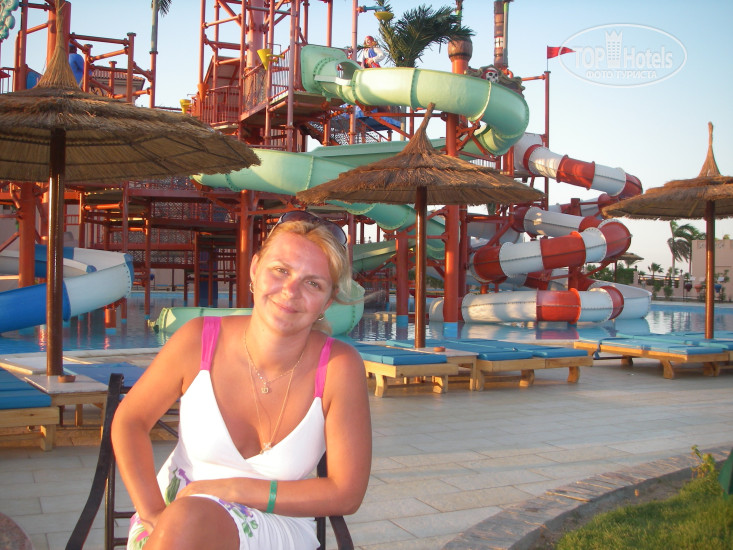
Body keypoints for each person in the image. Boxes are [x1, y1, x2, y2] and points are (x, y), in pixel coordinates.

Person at [112, 210, 372, 550]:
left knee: (188, 519)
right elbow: (130, 420)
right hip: (171, 521)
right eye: (280, 270)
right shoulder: (198, 341)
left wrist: (233, 489)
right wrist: (152, 513)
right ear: (254, 269)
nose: (290, 291)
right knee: (185, 521)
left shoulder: (338, 367)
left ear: (328, 300)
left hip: (276, 523)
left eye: (313, 283)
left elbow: (346, 492)